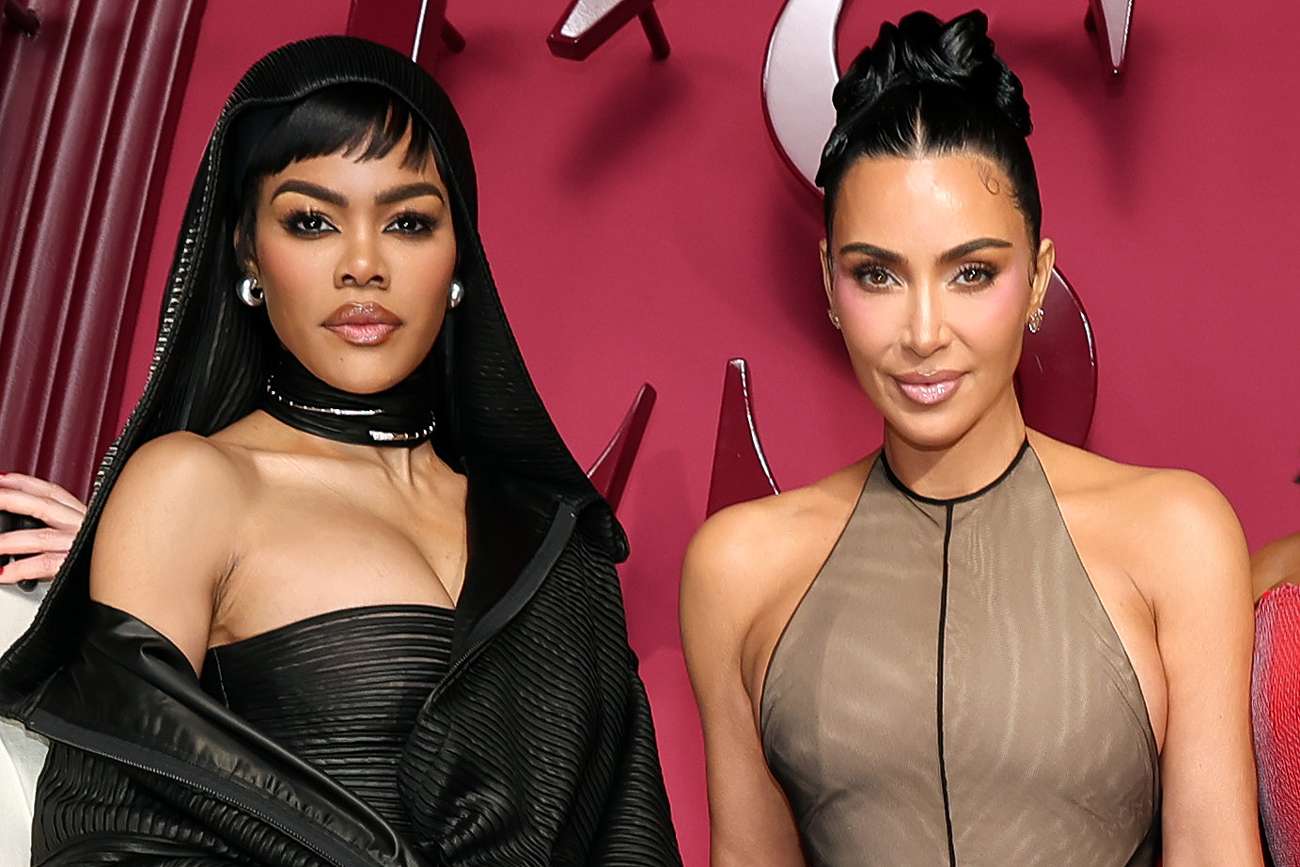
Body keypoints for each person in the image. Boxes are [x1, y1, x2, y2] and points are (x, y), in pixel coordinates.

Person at [0, 36, 680, 866]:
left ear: (459, 254)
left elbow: (633, 842)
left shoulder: (559, 546)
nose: (364, 264)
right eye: (312, 221)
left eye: (409, 222)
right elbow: (104, 837)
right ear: (248, 250)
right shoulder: (192, 484)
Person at [681, 11, 1261, 866]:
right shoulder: (737, 570)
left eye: (972, 272)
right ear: (831, 287)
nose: (924, 332)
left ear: (1039, 279)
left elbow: (1215, 848)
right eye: (877, 273)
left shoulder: (1177, 536)